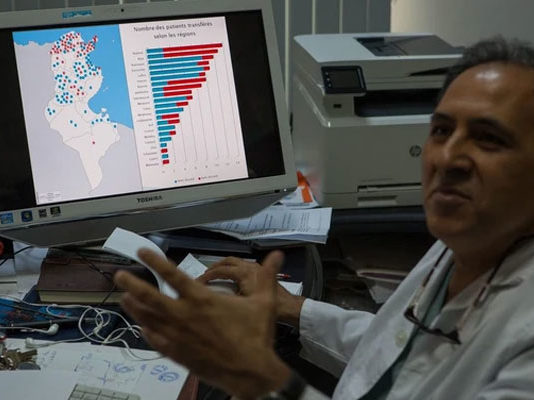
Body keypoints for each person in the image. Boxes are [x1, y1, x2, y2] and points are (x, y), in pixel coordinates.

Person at [114, 36, 534, 399]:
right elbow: (393, 348)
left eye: (488, 139)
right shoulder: (464, 242)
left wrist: (264, 378)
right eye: (441, 130)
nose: (448, 158)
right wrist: (294, 309)